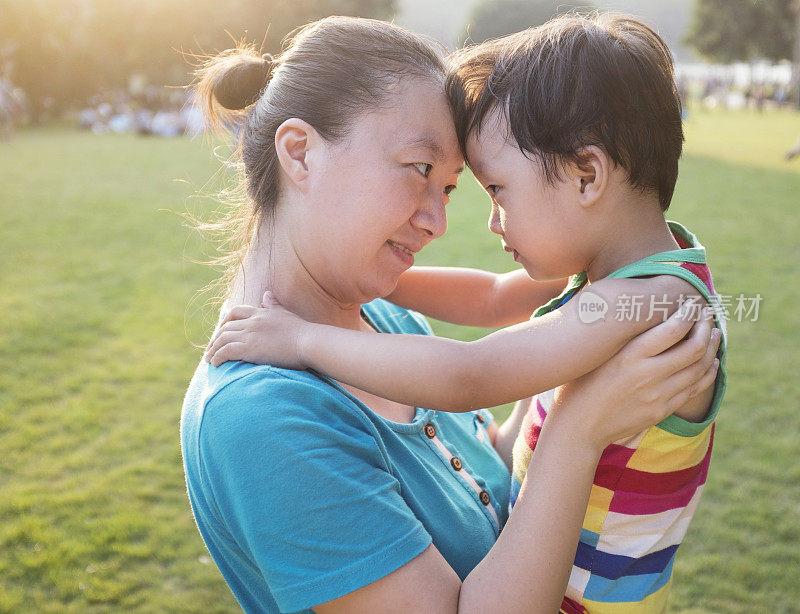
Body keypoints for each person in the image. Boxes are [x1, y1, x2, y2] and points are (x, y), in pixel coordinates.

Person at [183, 16, 720, 614]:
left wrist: (310, 333)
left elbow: (475, 384)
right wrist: (577, 425)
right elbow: (491, 299)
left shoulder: (648, 297)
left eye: (454, 188)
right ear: (300, 154)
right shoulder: (264, 418)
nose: (439, 222)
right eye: (419, 169)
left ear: (587, 175)